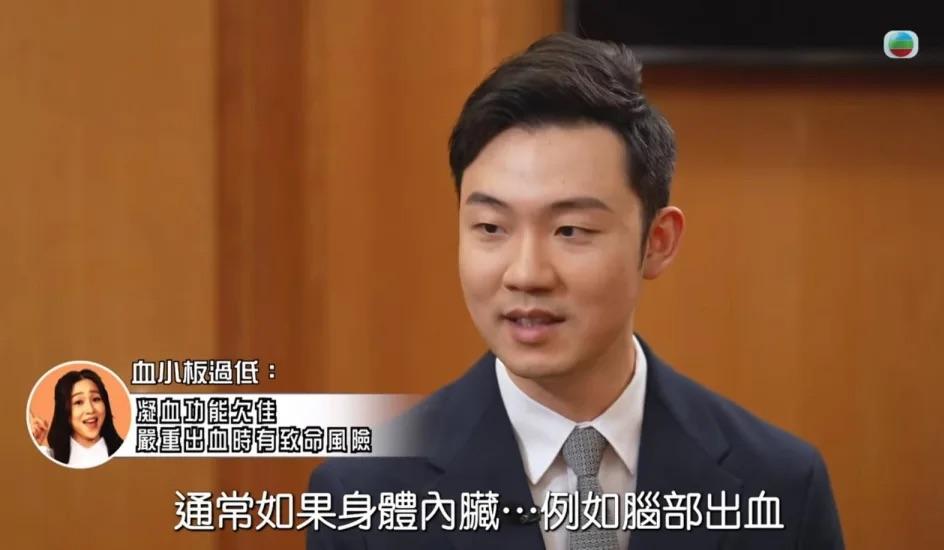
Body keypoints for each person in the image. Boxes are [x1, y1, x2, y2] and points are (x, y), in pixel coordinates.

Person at [307, 33, 843, 549]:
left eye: (570, 230)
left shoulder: (780, 485)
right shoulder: (363, 497)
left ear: (657, 242)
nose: (526, 273)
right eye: (491, 228)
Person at [31, 368, 125, 468]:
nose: (90, 410)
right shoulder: (49, 457)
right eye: (78, 402)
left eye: (96, 399)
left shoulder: (126, 452)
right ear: (63, 410)